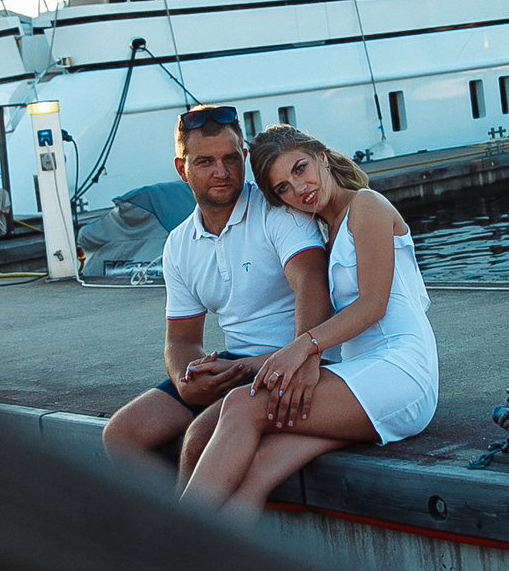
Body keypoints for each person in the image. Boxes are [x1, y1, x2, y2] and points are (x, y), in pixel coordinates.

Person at [182, 125, 438, 517]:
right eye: (283, 188)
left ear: (321, 156)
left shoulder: (366, 205)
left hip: (401, 371)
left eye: (300, 169)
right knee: (258, 470)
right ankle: (213, 556)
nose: (299, 189)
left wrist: (303, 347)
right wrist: (244, 366)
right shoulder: (327, 233)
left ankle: (168, 542)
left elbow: (373, 305)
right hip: (359, 373)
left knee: (242, 405)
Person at [99, 105, 334, 484]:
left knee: (198, 441)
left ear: (244, 157)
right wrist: (186, 380)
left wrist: (302, 356)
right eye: (205, 162)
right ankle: (163, 517)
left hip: (296, 359)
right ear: (182, 169)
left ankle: (186, 523)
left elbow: (312, 282)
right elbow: (181, 340)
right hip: (235, 366)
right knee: (122, 435)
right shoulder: (179, 244)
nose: (221, 172)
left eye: (230, 159)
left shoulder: (278, 212)